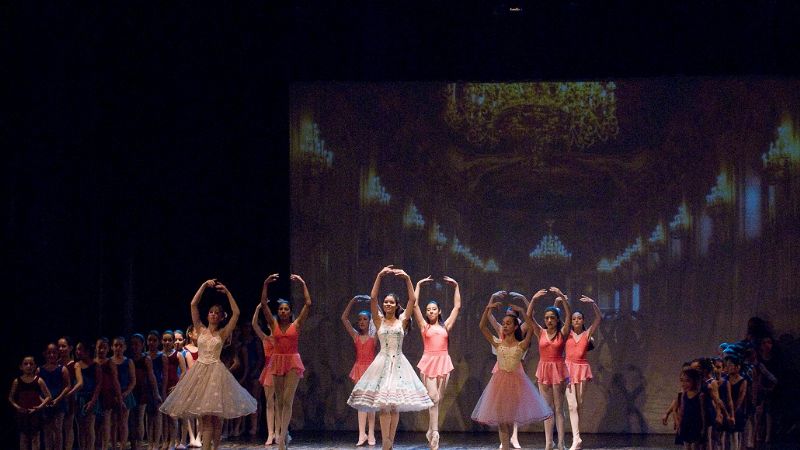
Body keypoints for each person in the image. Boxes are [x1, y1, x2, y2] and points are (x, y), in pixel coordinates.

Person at [160, 279, 258, 450]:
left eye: (216, 313)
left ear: (220, 317)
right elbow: (193, 304)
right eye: (211, 312)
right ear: (208, 315)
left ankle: (216, 446)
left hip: (216, 374)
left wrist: (227, 292)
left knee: (216, 418)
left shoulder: (223, 332)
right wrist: (204, 286)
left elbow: (236, 313)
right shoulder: (200, 329)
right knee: (206, 418)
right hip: (200, 373)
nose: (213, 314)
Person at [348, 266, 433, 450]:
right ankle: (385, 442)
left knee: (394, 406)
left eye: (390, 302)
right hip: (382, 363)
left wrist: (408, 279)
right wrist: (379, 276)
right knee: (383, 406)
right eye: (385, 302)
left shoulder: (402, 320)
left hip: (399, 365)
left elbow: (412, 299)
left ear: (396, 305)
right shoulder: (378, 320)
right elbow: (372, 298)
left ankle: (390, 442)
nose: (387, 304)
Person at [471, 291, 552, 450]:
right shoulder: (498, 343)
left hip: (516, 383)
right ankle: (506, 446)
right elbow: (482, 326)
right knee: (502, 420)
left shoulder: (521, 345)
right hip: (499, 383)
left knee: (510, 418)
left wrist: (523, 311)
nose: (505, 325)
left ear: (515, 326)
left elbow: (530, 326)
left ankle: (510, 442)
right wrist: (488, 308)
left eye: (508, 323)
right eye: (504, 323)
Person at [260, 273, 312, 450]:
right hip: (277, 361)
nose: (283, 311)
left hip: (291, 361)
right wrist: (266, 284)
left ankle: (282, 438)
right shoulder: (273, 325)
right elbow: (264, 305)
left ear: (290, 312)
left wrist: (303, 283)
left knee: (288, 400)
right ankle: (280, 434)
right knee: (279, 400)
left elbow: (308, 304)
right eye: (280, 309)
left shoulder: (295, 325)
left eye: (286, 309)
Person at [412, 275, 461, 450]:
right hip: (428, 361)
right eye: (429, 309)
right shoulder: (424, 327)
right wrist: (417, 284)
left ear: (439, 311)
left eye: (434, 309)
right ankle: (435, 433)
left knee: (438, 398)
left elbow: (457, 307)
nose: (431, 311)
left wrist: (456, 286)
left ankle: (431, 431)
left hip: (443, 361)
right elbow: (414, 305)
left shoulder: (445, 326)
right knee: (432, 397)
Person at [531, 287, 571, 450]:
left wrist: (562, 297)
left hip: (558, 369)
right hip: (544, 369)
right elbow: (529, 317)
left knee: (558, 409)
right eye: (546, 318)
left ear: (556, 319)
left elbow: (568, 315)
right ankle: (548, 442)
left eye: (552, 318)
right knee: (547, 409)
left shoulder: (562, 332)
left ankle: (561, 442)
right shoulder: (540, 332)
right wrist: (533, 300)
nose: (549, 320)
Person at [564, 295, 601, 450]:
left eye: (579, 319)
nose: (576, 321)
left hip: (582, 369)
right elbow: (559, 321)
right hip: (568, 369)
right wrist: (560, 301)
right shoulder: (567, 334)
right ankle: (576, 438)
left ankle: (577, 438)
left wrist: (593, 303)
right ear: (571, 322)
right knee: (571, 406)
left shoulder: (587, 334)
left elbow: (598, 318)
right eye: (574, 319)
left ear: (583, 321)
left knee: (579, 405)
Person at [341, 294, 378, 446]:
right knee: (360, 402)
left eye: (365, 319)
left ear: (369, 322)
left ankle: (371, 434)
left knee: (371, 403)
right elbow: (344, 319)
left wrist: (373, 303)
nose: (362, 321)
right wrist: (351, 301)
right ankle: (361, 434)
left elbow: (378, 318)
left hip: (371, 370)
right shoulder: (355, 336)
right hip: (359, 369)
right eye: (360, 319)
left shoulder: (373, 337)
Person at [252, 302, 278, 446]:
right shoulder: (265, 338)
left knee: (280, 403)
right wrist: (258, 308)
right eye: (270, 323)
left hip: (280, 369)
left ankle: (280, 432)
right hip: (269, 370)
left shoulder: (282, 338)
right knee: (269, 403)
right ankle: (270, 433)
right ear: (268, 325)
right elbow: (254, 325)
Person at [38, 342, 70, 450]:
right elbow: (36, 389)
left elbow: (67, 386)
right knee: (47, 430)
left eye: (54, 352)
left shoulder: (62, 369)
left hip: (59, 403)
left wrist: (57, 399)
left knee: (57, 429)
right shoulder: (39, 370)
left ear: (58, 354)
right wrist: (43, 401)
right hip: (45, 404)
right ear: (45, 354)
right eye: (49, 353)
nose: (52, 355)